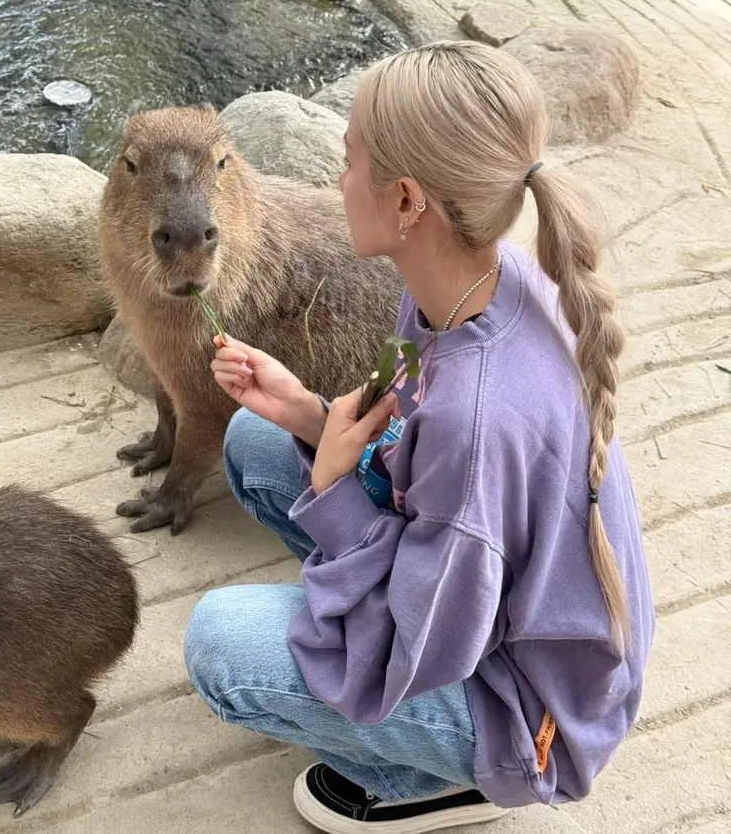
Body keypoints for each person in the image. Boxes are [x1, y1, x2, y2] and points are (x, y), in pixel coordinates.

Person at [183, 41, 655, 833]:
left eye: (348, 159)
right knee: (254, 442)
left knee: (218, 644)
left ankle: (427, 777)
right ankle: (411, 726)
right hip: (484, 592)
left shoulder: (476, 418)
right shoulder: (470, 280)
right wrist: (307, 413)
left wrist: (335, 493)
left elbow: (425, 631)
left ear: (407, 201)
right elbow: (412, 441)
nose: (337, 182)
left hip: (526, 710)